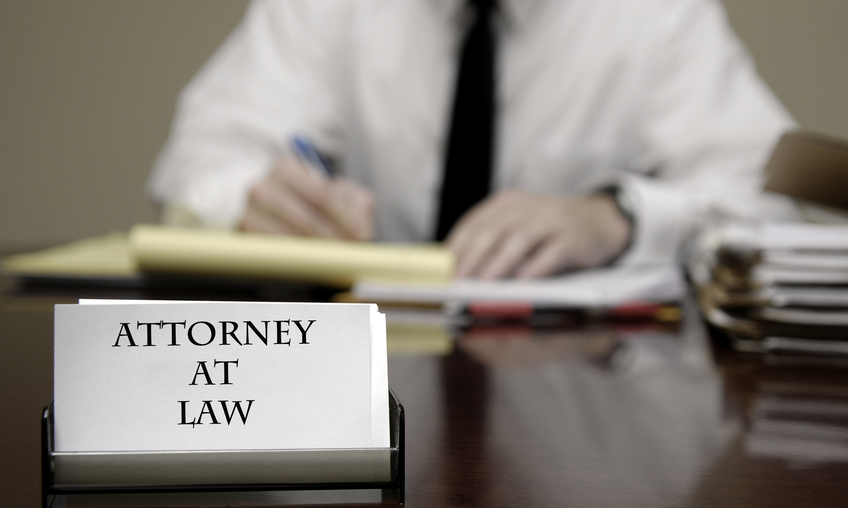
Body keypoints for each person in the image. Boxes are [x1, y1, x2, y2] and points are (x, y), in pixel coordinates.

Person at [148, 0, 794, 279]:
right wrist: (258, 204)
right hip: (360, 392)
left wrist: (616, 216)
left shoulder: (659, 15)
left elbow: (769, 205)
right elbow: (201, 161)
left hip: (585, 408)